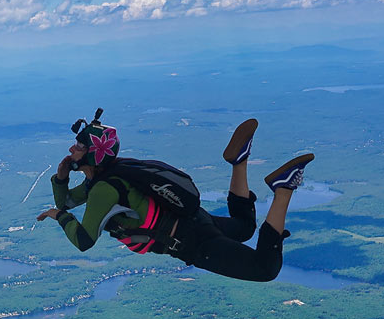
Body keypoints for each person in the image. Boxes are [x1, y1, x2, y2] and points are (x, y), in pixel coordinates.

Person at [36, 115, 313, 282]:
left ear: (92, 154)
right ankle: (239, 162)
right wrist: (61, 178)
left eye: (79, 146)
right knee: (243, 227)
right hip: (194, 220)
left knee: (265, 268)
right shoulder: (109, 176)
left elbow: (84, 240)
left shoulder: (102, 190)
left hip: (192, 243)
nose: (72, 149)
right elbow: (69, 200)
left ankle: (284, 189)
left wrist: (58, 216)